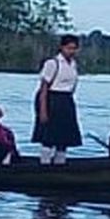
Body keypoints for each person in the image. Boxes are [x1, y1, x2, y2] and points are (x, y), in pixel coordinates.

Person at [32, 34, 82, 164]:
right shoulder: (52, 63)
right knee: (48, 137)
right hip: (52, 99)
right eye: (69, 48)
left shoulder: (73, 64)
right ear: (62, 47)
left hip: (66, 100)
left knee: (63, 138)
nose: (71, 51)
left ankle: (60, 165)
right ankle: (45, 165)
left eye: (74, 49)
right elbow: (44, 88)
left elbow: (72, 85)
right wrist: (43, 111)